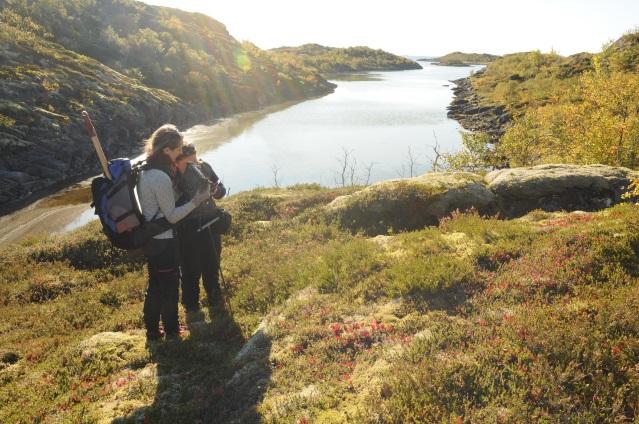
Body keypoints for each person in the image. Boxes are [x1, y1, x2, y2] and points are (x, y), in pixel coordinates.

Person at [137, 125, 209, 341]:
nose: (180, 152)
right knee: (168, 287)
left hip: (153, 241)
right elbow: (171, 216)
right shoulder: (160, 177)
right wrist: (197, 201)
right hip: (164, 242)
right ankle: (171, 332)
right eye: (177, 148)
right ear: (167, 150)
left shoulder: (146, 171)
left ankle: (152, 331)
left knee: (156, 286)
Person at [175, 143, 227, 312]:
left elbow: (221, 190)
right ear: (178, 161)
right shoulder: (173, 176)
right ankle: (192, 309)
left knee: (212, 264)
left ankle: (216, 302)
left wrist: (216, 190)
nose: (193, 166)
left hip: (211, 223)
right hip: (188, 229)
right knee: (191, 270)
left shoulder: (204, 166)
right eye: (188, 163)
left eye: (194, 161)